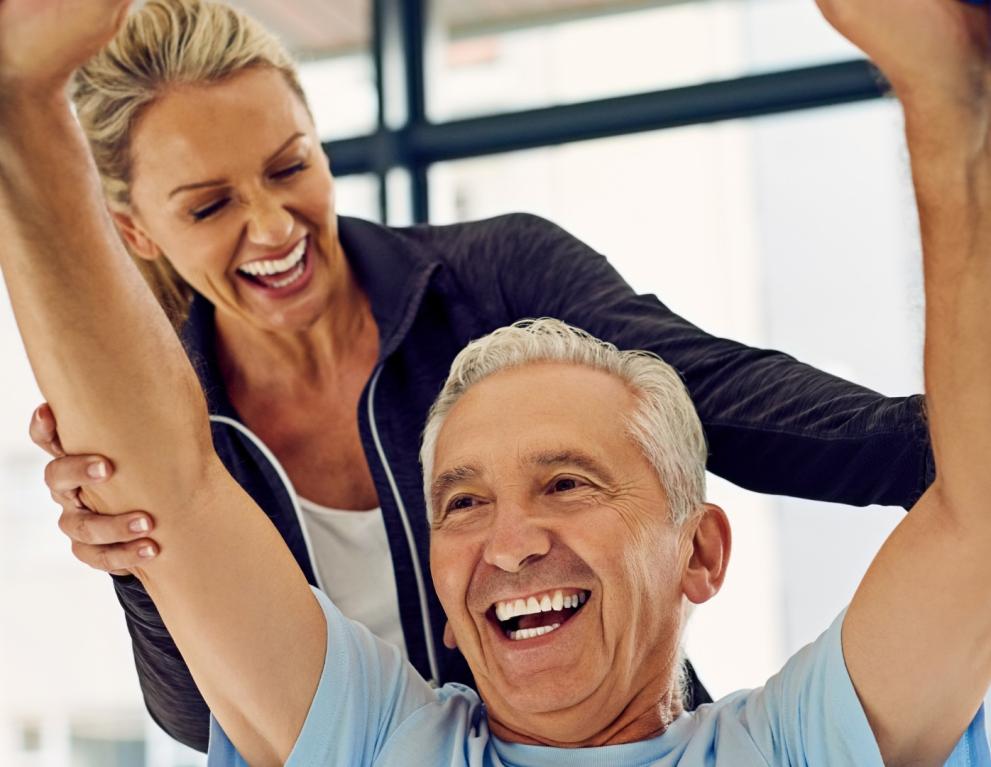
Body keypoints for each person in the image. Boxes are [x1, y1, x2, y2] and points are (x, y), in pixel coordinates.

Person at [1, 0, 990, 765]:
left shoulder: (784, 741)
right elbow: (169, 505)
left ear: (700, 547)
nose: (508, 542)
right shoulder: (383, 735)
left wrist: (948, 92)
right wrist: (22, 113)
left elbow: (937, 492)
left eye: (566, 480)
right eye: (459, 502)